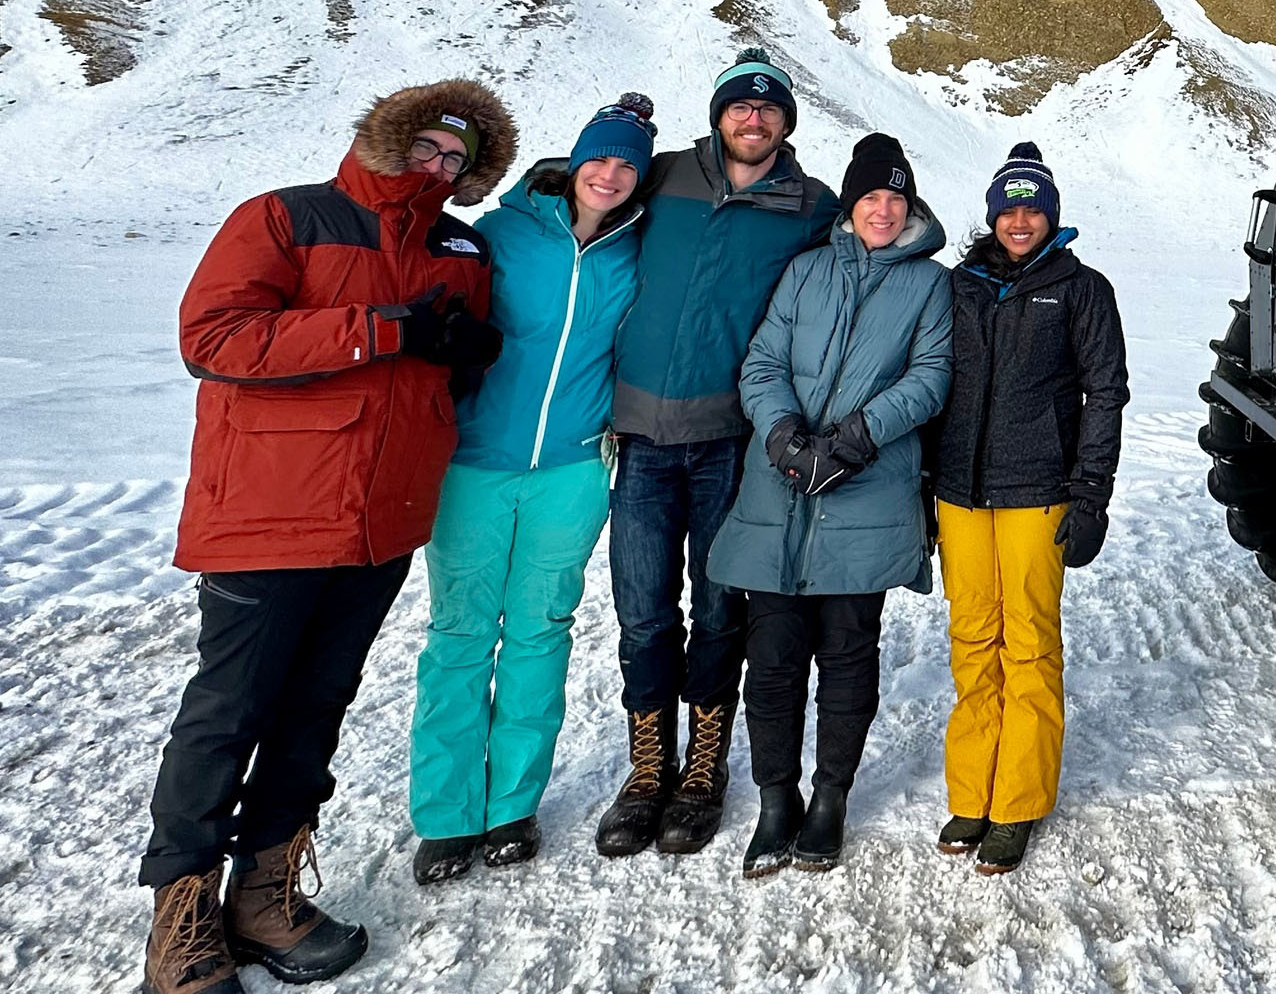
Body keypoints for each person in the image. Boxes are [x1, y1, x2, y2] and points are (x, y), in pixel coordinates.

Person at [140, 81, 516, 994]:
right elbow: (214, 337)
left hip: (382, 518)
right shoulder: (286, 217)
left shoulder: (459, 248)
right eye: (428, 149)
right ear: (391, 140)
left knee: (316, 705)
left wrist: (463, 355)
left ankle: (264, 896)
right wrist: (382, 329)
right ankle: (181, 917)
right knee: (229, 710)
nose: (439, 168)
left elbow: (441, 367)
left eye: (457, 160)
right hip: (270, 508)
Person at [408, 93, 657, 886]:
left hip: (573, 471)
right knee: (459, 636)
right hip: (474, 464)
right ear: (574, 162)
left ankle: (512, 806)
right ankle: (446, 815)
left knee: (540, 634)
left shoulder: (636, 249)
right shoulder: (501, 233)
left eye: (627, 165)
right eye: (600, 158)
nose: (610, 175)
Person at [596, 48, 839, 858]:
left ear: (786, 123)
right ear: (719, 114)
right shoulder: (663, 176)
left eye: (769, 109)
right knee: (642, 613)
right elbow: (583, 190)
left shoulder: (809, 204)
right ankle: (646, 770)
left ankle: (703, 769)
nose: (754, 119)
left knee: (717, 610)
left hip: (730, 443)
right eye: (741, 105)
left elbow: (870, 257)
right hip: (641, 439)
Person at [709, 132, 953, 876]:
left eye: (895, 197)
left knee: (848, 654)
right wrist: (783, 434)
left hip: (867, 487)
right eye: (870, 196)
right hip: (779, 488)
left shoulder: (930, 284)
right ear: (850, 205)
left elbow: (931, 376)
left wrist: (857, 436)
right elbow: (763, 362)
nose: (883, 210)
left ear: (911, 207)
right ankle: (775, 798)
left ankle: (830, 799)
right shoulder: (807, 269)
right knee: (772, 658)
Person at [930, 142, 1129, 877]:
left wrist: (1091, 494)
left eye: (1033, 209)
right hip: (960, 493)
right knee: (971, 639)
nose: (1020, 222)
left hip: (1038, 492)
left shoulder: (1082, 289)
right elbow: (933, 384)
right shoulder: (960, 286)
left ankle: (1017, 802)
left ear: (1051, 216)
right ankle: (971, 793)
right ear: (992, 216)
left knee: (1031, 646)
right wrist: (923, 486)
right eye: (1009, 210)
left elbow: (1106, 393)